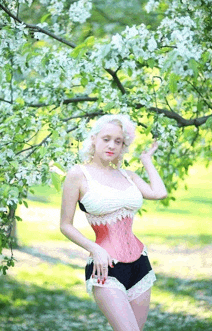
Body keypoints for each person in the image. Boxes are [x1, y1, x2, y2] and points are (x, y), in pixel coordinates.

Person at [60, 114, 167, 331]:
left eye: (118, 141)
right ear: (93, 139)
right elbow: (65, 225)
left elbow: (159, 193)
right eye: (106, 138)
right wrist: (94, 248)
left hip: (140, 266)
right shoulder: (78, 175)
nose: (112, 145)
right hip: (105, 268)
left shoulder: (127, 175)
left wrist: (147, 161)